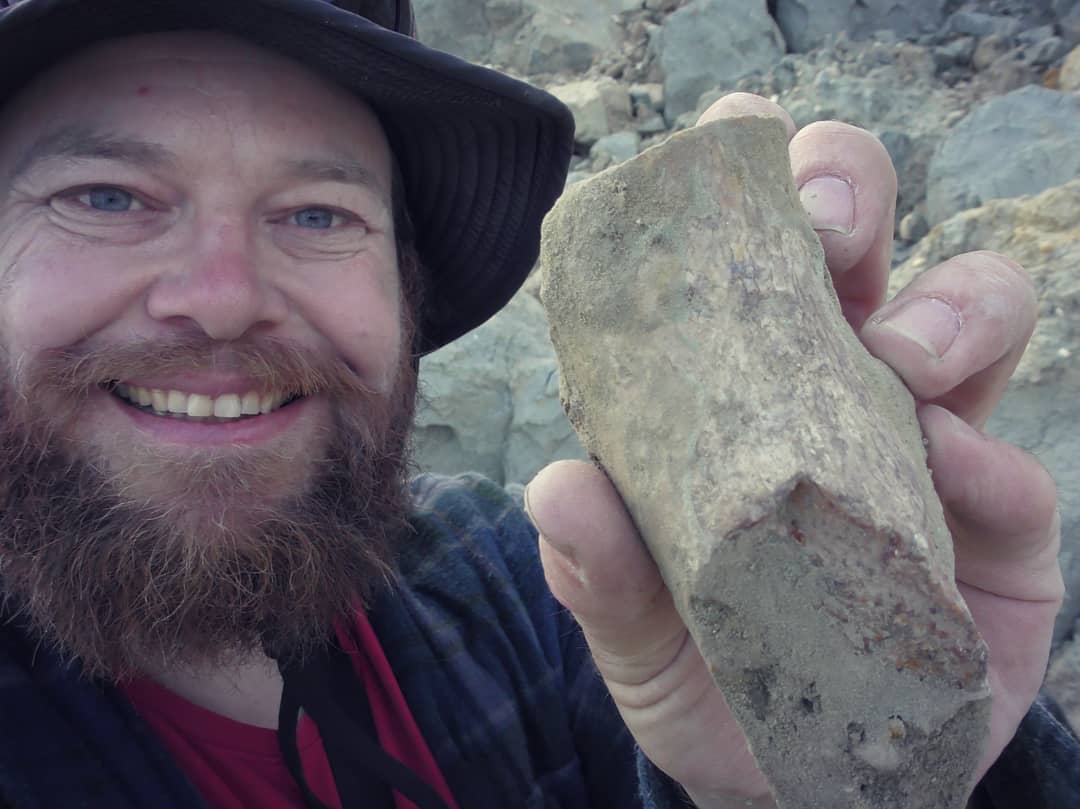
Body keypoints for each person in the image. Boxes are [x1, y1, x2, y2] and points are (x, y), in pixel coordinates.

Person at [0, 1, 1074, 807]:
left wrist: (876, 764)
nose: (224, 298)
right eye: (106, 197)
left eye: (318, 214)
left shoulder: (525, 590)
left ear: (403, 293)